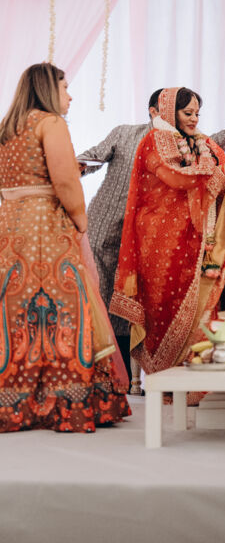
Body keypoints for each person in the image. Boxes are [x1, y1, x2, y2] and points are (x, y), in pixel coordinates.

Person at [78, 91, 225, 378]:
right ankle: (104, 374)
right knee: (105, 296)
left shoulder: (192, 142)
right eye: (187, 113)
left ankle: (127, 377)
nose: (194, 119)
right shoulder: (132, 135)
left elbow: (220, 145)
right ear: (159, 111)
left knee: (133, 304)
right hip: (109, 223)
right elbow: (95, 156)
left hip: (158, 231)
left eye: (197, 113)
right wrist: (71, 168)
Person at [0, 63, 130, 433]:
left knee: (16, 310)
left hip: (10, 224)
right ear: (47, 89)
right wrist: (80, 218)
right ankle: (65, 400)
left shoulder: (7, 127)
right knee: (63, 309)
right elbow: (65, 181)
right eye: (65, 87)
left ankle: (17, 399)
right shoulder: (50, 123)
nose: (70, 96)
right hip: (45, 226)